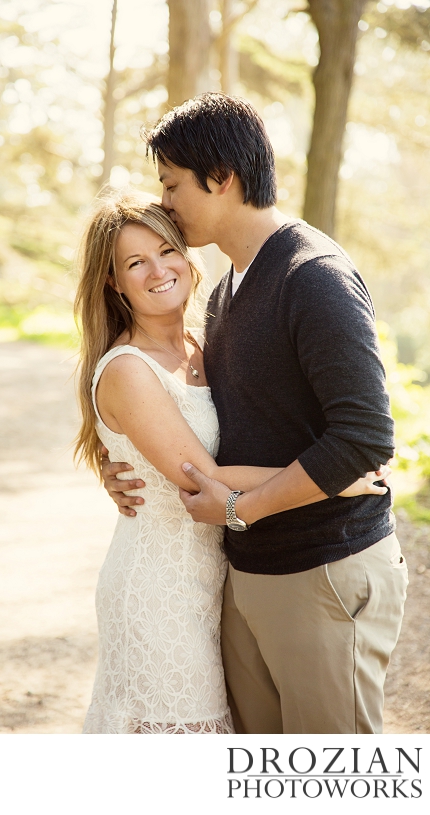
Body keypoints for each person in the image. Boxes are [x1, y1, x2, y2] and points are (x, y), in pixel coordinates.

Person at [99, 93, 407, 734]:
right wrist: (126, 464)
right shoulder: (225, 291)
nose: (167, 203)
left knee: (334, 780)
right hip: (249, 576)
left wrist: (243, 507)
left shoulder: (313, 275)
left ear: (222, 178)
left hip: (324, 567)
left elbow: (366, 438)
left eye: (173, 184)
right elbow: (205, 426)